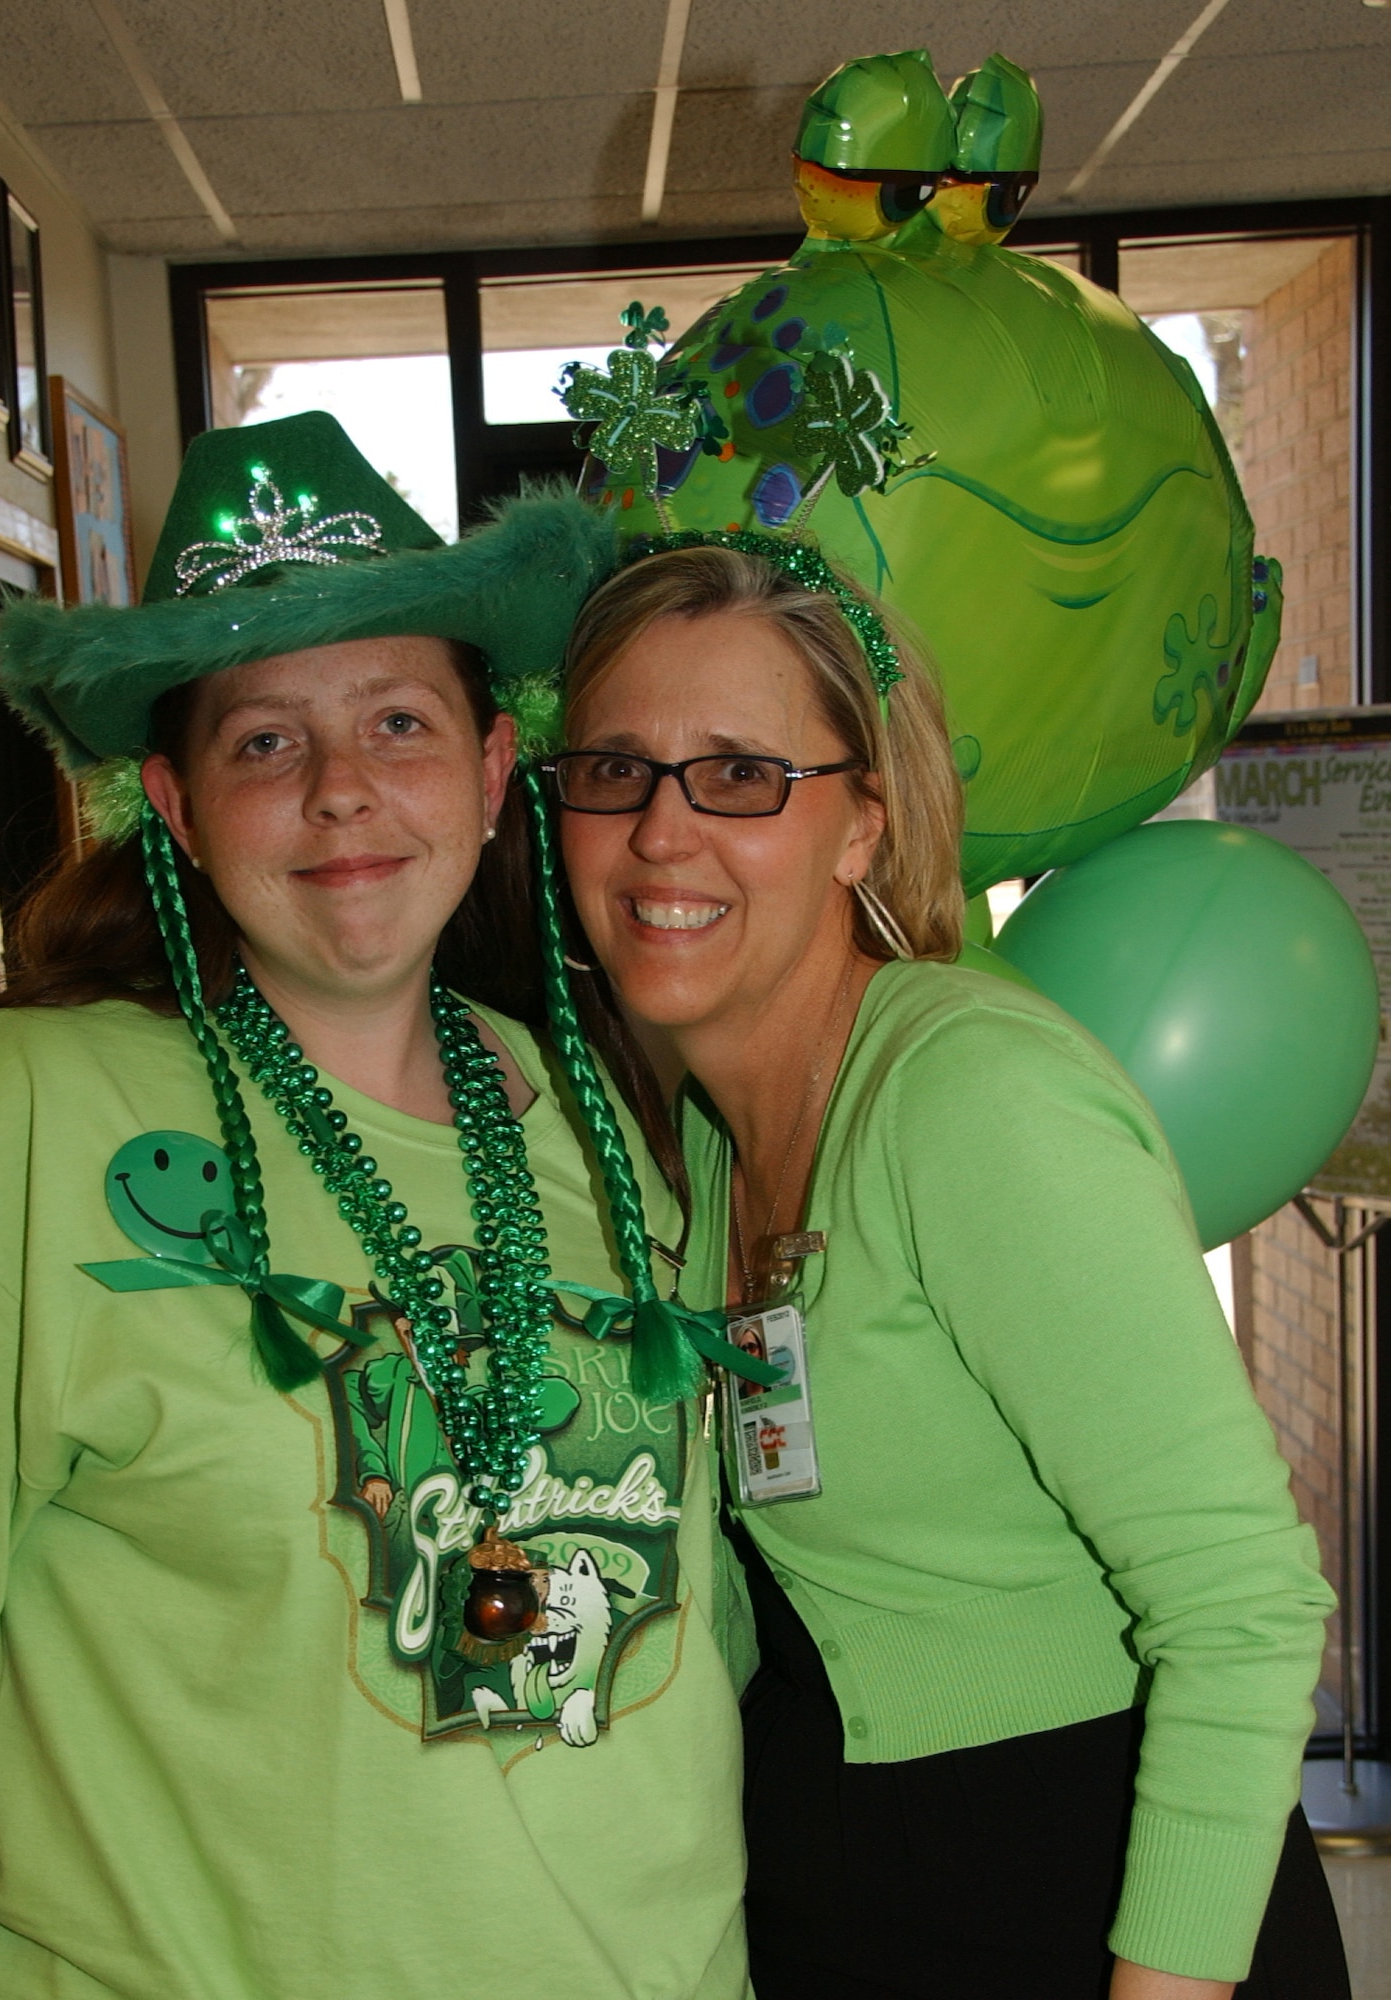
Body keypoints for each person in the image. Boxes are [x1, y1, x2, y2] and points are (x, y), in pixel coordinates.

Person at [0, 418, 759, 2000]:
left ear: (494, 773)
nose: (344, 792)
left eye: (400, 723)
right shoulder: (22, 1117)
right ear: (175, 801)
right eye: (266, 743)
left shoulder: (595, 1098)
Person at [545, 532, 1347, 2000]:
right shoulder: (713, 1140)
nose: (662, 831)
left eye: (740, 773)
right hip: (865, 1894)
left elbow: (1243, 1604)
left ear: (863, 822)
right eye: (613, 769)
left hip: (1087, 1899)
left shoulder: (970, 1097)